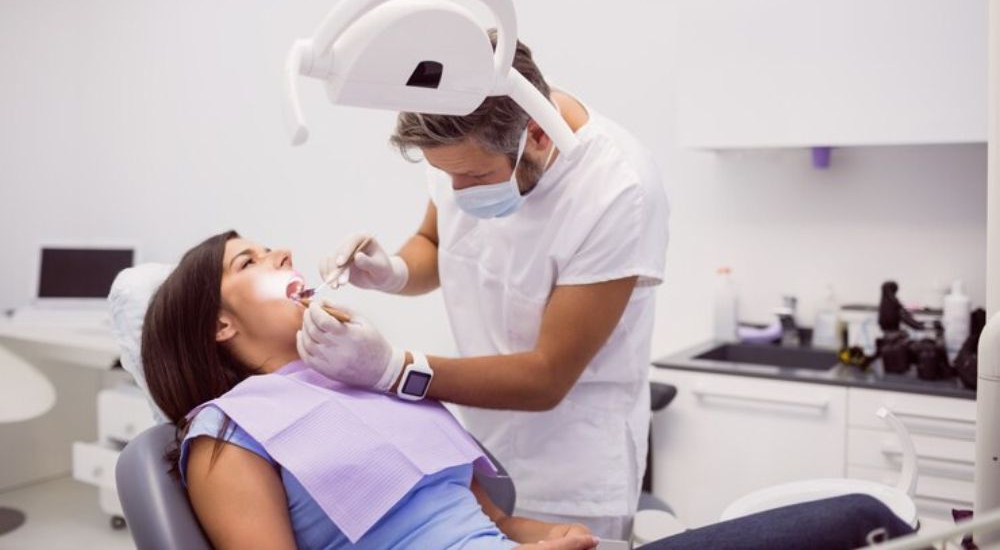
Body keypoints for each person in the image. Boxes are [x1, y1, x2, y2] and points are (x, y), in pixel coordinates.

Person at [140, 231, 915, 550]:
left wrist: (547, 537)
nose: (276, 251)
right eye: (247, 263)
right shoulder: (226, 434)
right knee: (854, 524)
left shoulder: (360, 383)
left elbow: (489, 520)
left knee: (863, 518)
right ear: (215, 327)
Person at [299, 32, 671, 538]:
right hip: (480, 449)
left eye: (473, 177)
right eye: (445, 176)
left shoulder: (616, 191)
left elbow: (546, 377)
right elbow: (436, 242)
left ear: (537, 135)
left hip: (573, 466)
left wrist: (395, 370)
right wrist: (393, 270)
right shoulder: (463, 136)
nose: (457, 192)